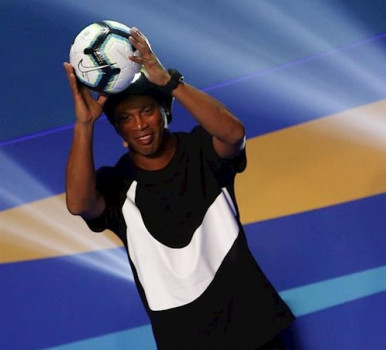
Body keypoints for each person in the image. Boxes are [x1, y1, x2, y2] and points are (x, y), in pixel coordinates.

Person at [63, 27, 295, 349]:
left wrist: (169, 81)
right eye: (127, 119)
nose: (140, 125)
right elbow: (78, 203)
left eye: (147, 111)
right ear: (119, 132)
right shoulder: (116, 184)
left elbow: (233, 133)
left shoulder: (202, 150)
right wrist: (84, 124)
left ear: (165, 114)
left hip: (255, 329)